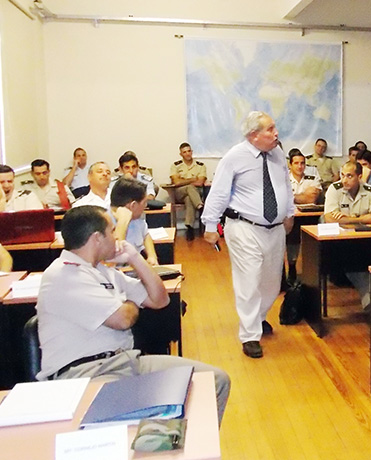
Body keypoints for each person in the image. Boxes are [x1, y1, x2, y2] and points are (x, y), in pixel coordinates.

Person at [35, 205, 230, 425]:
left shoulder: (102, 270)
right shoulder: (64, 273)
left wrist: (135, 258)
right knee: (148, 420)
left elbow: (160, 300)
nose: (116, 237)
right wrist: (129, 303)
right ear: (97, 238)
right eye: (112, 231)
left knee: (215, 380)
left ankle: (189, 447)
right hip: (86, 372)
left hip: (126, 361)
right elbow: (123, 319)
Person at [202, 111, 294, 359]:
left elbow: (285, 184)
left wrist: (290, 212)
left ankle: (259, 317)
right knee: (249, 281)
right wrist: (211, 225)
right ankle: (250, 335)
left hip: (275, 229)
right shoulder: (234, 157)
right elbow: (219, 192)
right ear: (254, 135)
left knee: (272, 283)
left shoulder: (278, 154)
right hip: (244, 227)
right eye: (270, 129)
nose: (276, 133)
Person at [324, 161, 371, 308]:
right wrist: (362, 218)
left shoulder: (370, 190)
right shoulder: (334, 189)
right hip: (336, 242)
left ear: (360, 176)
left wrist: (346, 219)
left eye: (349, 176)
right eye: (343, 175)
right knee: (353, 260)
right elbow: (329, 218)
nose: (344, 180)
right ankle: (369, 298)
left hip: (363, 240)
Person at [110, 178, 158, 266]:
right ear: (133, 205)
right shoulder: (104, 222)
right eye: (144, 202)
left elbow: (146, 235)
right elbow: (116, 254)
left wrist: (152, 256)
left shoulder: (137, 219)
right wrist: (123, 222)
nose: (146, 206)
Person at [170, 142, 207, 241]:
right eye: (184, 152)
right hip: (179, 193)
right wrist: (191, 180)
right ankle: (200, 206)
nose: (187, 154)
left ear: (192, 152)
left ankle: (189, 228)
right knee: (189, 187)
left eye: (189, 151)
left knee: (189, 198)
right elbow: (176, 182)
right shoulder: (176, 165)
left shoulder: (200, 166)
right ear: (181, 154)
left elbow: (200, 182)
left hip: (195, 193)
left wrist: (184, 180)